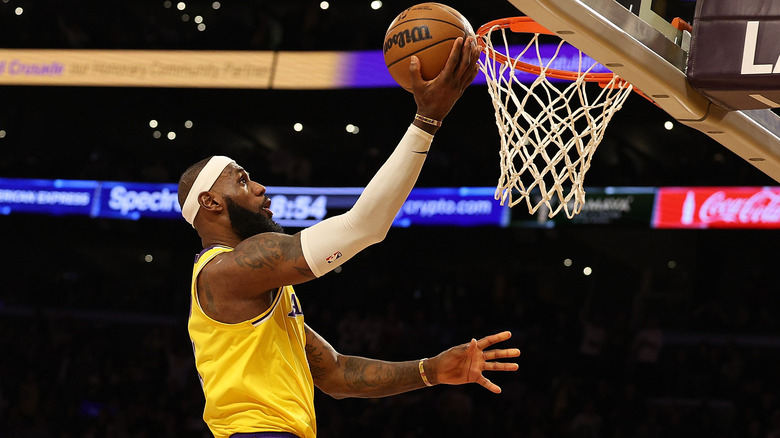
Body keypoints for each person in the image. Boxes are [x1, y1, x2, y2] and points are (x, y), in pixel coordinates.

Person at [177, 36, 521, 438]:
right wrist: (427, 122)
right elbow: (363, 226)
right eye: (242, 181)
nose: (259, 188)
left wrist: (430, 370)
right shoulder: (227, 270)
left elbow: (337, 373)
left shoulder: (251, 287)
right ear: (211, 202)